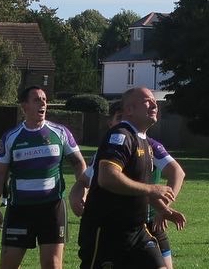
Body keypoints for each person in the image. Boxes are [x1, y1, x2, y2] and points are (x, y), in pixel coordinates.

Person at [70, 102, 187, 269]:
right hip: (109, 227)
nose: (122, 123)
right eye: (118, 118)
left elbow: (177, 172)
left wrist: (164, 208)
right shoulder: (106, 153)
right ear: (110, 123)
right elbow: (85, 180)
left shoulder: (150, 145)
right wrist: (75, 196)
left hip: (147, 224)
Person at [0, 86, 87, 269]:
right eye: (36, 100)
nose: (43, 103)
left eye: (44, 99)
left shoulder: (60, 133)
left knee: (52, 264)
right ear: (24, 106)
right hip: (20, 210)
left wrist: (82, 190)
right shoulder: (11, 137)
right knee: (8, 265)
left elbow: (79, 163)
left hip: (52, 208)